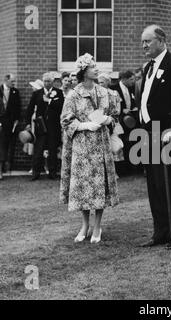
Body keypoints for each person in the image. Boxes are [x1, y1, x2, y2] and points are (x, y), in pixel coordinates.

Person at [139, 24, 171, 247]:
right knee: (154, 185)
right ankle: (159, 232)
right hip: (148, 133)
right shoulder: (147, 67)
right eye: (143, 41)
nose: (144, 45)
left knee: (169, 184)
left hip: (167, 134)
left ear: (160, 40)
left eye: (147, 41)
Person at [60, 53, 119, 244]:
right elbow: (65, 120)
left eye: (95, 66)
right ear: (84, 72)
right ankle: (85, 224)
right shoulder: (73, 95)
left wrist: (109, 119)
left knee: (99, 186)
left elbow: (114, 115)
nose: (96, 69)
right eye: (92, 66)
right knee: (83, 186)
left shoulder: (105, 93)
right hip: (82, 146)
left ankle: (98, 226)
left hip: (101, 145)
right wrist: (84, 126)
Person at [25, 72, 64, 180]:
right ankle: (36, 173)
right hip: (40, 125)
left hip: (53, 126)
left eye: (49, 81)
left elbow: (61, 107)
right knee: (38, 150)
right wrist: (28, 123)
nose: (47, 83)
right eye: (45, 81)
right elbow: (30, 109)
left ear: (52, 82)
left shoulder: (59, 93)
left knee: (52, 150)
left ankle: (52, 173)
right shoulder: (37, 93)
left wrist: (50, 101)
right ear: (43, 82)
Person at [98, 72, 124, 168]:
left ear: (108, 82)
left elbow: (118, 109)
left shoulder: (114, 93)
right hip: (101, 122)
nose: (100, 84)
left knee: (115, 145)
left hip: (113, 121)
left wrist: (110, 116)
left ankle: (114, 170)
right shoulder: (96, 94)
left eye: (102, 82)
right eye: (99, 82)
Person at [0, 74, 21, 179]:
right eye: (12, 81)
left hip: (12, 124)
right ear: (6, 80)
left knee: (10, 145)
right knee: (1, 145)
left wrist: (17, 120)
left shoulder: (15, 92)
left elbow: (18, 107)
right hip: (1, 123)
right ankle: (1, 168)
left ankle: (7, 166)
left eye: (14, 81)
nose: (14, 83)